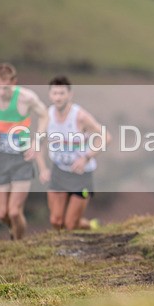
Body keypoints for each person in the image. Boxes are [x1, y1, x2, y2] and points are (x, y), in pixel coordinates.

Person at [0, 62, 50, 240]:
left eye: (6, 88)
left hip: (21, 158)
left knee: (14, 212)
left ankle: (18, 244)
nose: (1, 92)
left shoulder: (26, 98)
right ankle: (14, 231)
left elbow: (44, 115)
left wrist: (36, 142)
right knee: (2, 214)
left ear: (14, 82)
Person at [45, 76, 111, 231]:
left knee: (70, 224)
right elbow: (40, 140)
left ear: (70, 95)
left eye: (62, 93)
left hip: (81, 175)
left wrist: (86, 157)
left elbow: (106, 137)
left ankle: (91, 226)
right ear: (50, 95)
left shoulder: (80, 116)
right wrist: (42, 168)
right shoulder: (47, 116)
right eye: (55, 93)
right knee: (56, 221)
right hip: (59, 171)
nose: (58, 97)